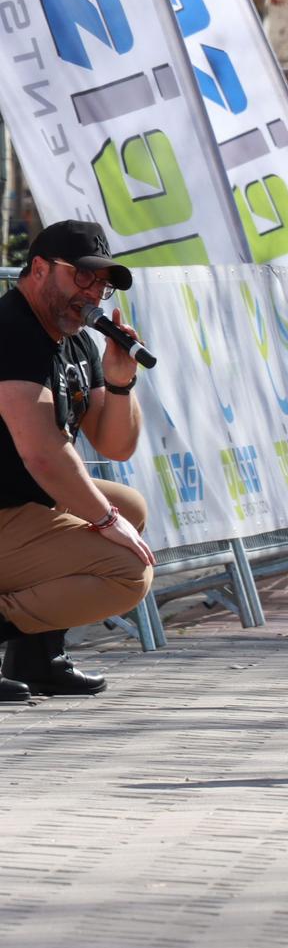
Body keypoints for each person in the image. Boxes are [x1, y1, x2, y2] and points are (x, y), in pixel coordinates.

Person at [0, 222, 155, 703]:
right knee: (128, 571)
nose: (92, 294)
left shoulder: (76, 340)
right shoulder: (11, 329)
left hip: (19, 502)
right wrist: (103, 521)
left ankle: (38, 659)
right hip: (6, 506)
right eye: (81, 278)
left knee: (130, 507)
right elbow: (43, 452)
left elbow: (115, 445)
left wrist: (122, 380)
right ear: (40, 269)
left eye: (101, 284)